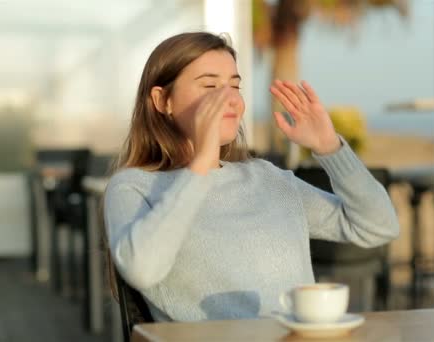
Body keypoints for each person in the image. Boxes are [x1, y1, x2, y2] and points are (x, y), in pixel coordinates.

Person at [104, 31, 399, 322]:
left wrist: (330, 147)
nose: (230, 99)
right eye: (210, 86)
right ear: (162, 100)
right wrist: (201, 166)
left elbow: (378, 225)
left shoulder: (266, 178)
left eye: (235, 86)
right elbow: (142, 269)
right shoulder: (133, 187)